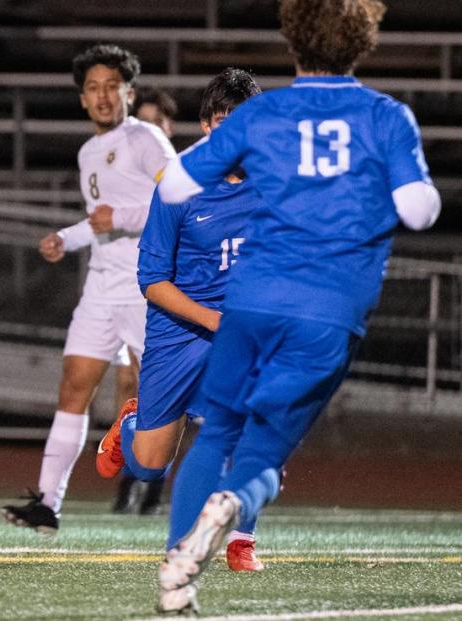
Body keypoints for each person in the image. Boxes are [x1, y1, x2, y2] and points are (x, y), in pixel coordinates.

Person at [153, 0, 441, 614]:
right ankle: (234, 507)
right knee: (263, 451)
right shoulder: (387, 116)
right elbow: (418, 209)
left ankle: (178, 575)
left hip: (251, 298)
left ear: (293, 42)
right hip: (329, 308)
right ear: (364, 43)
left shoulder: (264, 114)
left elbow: (175, 183)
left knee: (216, 434)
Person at [0, 44, 176, 534]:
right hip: (100, 290)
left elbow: (181, 197)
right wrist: (68, 237)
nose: (102, 96)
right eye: (93, 88)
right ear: (82, 99)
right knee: (73, 390)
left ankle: (210, 491)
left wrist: (119, 217)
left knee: (174, 397)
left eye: (111, 87)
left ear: (128, 91)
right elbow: (98, 220)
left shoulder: (144, 140)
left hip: (149, 288)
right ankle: (47, 505)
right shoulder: (87, 152)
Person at [96, 68, 267, 572]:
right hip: (179, 332)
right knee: (149, 466)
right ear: (206, 127)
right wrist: (213, 320)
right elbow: (152, 281)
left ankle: (241, 542)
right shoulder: (177, 185)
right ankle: (131, 421)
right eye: (220, 122)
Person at [112, 82, 179, 515]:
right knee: (125, 388)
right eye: (145, 122)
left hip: (161, 293)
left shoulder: (177, 175)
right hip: (121, 288)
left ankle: (151, 485)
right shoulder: (125, 166)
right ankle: (128, 485)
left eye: (158, 122)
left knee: (162, 396)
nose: (150, 130)